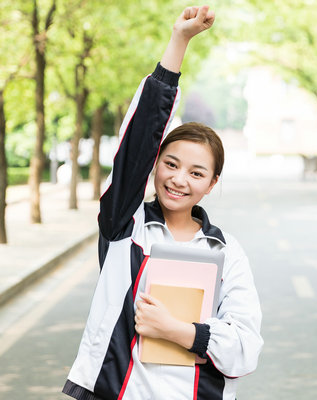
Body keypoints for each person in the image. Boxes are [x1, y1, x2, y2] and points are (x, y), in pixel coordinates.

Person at [62, 6, 263, 400]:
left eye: (196, 173)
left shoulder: (226, 252)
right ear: (154, 166)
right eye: (170, 164)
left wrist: (175, 330)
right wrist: (179, 41)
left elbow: (244, 347)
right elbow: (138, 140)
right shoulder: (126, 227)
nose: (179, 179)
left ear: (212, 184)